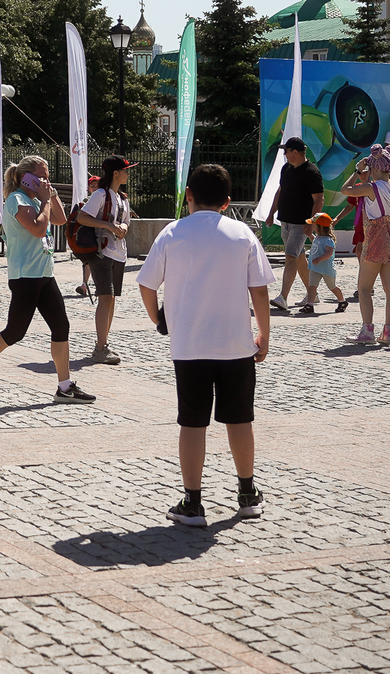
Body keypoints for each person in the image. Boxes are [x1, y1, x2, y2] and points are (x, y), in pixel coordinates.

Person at [137, 162, 273, 526]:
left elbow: (146, 284)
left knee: (192, 423)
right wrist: (264, 335)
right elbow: (259, 291)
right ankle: (247, 492)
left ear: (188, 196)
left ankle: (193, 502)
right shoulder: (242, 233)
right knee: (240, 420)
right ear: (227, 201)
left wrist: (159, 320)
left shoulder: (172, 233)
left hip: (189, 346)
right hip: (236, 345)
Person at [0, 155, 96, 406]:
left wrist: (50, 195)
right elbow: (39, 229)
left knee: (61, 327)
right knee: (14, 332)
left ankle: (64, 387)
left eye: (47, 177)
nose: (45, 181)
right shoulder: (17, 200)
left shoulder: (36, 199)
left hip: (44, 274)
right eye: (41, 176)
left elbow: (60, 219)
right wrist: (45, 200)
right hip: (25, 276)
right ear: (25, 178)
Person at [338, 145, 390, 345]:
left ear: (373, 167)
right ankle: (387, 333)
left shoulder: (372, 187)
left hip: (375, 240)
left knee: (364, 288)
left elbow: (345, 190)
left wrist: (357, 172)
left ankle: (367, 331)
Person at [74, 156, 133, 365]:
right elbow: (82, 217)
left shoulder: (122, 198)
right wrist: (108, 226)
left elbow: (126, 222)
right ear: (115, 173)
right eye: (125, 170)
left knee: (111, 299)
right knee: (106, 298)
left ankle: (103, 344)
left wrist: (123, 227)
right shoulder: (100, 194)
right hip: (102, 253)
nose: (128, 173)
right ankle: (100, 348)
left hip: (119, 254)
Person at [264, 138, 323, 314]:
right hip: (285, 220)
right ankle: (313, 294)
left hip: (300, 224)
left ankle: (283, 297)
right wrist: (271, 213)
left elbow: (319, 199)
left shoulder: (312, 172)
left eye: (287, 151)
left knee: (290, 257)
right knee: (298, 258)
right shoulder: (286, 169)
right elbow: (280, 191)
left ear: (295, 152)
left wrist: (311, 222)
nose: (285, 154)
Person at [303, 214, 347, 311]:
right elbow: (315, 242)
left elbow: (329, 253)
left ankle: (342, 301)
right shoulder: (318, 237)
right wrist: (310, 235)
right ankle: (310, 305)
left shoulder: (328, 240)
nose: (312, 226)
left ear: (321, 227)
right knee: (311, 286)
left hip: (326, 269)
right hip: (315, 268)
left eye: (314, 225)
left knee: (332, 287)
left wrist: (319, 259)